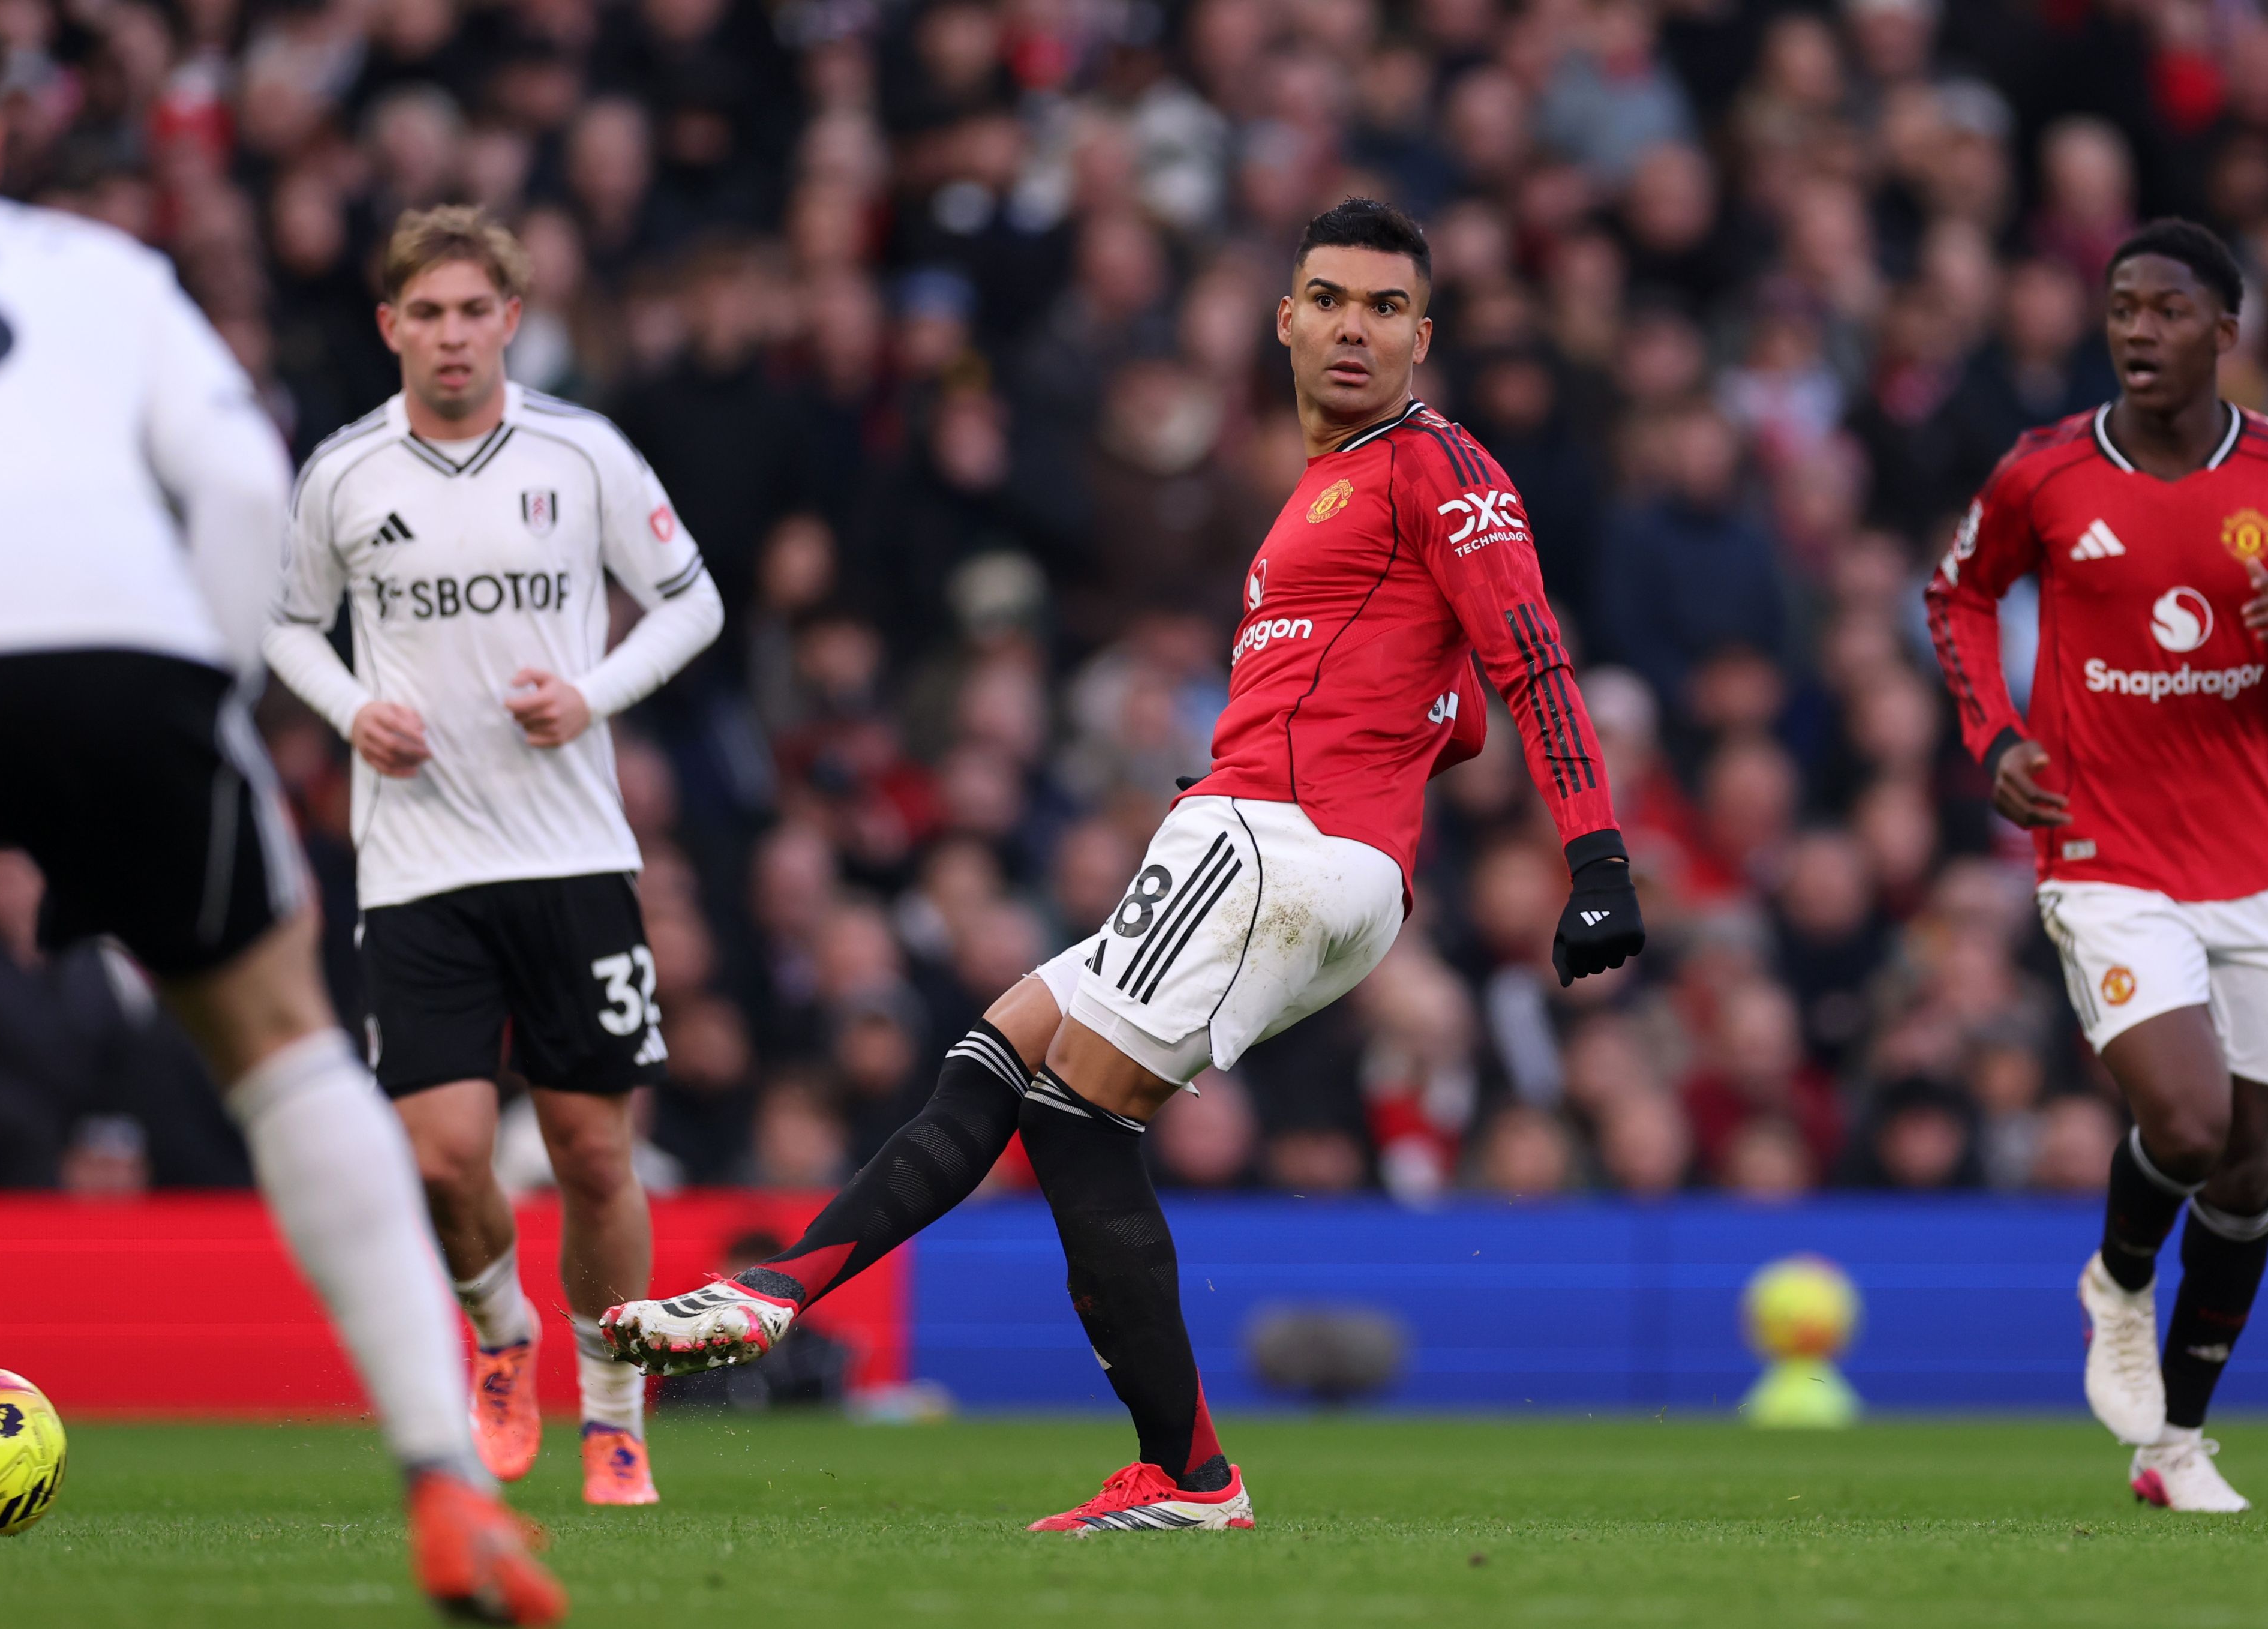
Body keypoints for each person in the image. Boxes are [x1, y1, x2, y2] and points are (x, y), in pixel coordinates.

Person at [0, 5, 560, 1621]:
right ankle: (445, 1477)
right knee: (279, 1037)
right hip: (117, 657)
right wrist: (200, 712)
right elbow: (236, 484)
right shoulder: (104, 273)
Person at [604, 197, 1647, 1532]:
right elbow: (1442, 710)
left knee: (1073, 1114)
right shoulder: (1323, 493)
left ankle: (1191, 1472)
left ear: (1421, 337)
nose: (1351, 327)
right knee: (998, 1054)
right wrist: (1402, 730)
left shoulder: (1435, 463)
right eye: (1328, 297)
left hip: (1273, 835)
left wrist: (1595, 855)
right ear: (1283, 318)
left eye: (1384, 308)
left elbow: (1531, 652)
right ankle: (775, 1289)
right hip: (1291, 847)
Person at [1925, 218, 2268, 1514]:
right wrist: (1992, 736)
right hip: (2099, 848)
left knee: (2250, 1163)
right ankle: (2116, 1283)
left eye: (2164, 309)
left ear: (2221, 331)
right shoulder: (2042, 475)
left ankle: (2175, 1446)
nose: (2136, 331)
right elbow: (1957, 595)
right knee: (2190, 1124)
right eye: (2120, 309)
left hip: (2251, 862)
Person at [263, 205, 723, 1507]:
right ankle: (501, 1336)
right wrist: (354, 707)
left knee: (589, 1150)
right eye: (428, 313)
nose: (452, 336)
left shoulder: (581, 454)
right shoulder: (344, 473)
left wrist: (590, 691)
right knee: (445, 1154)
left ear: (510, 321)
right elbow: (287, 624)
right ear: (389, 327)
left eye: (475, 312)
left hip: (569, 852)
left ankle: (617, 1410)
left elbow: (693, 597)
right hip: (413, 863)